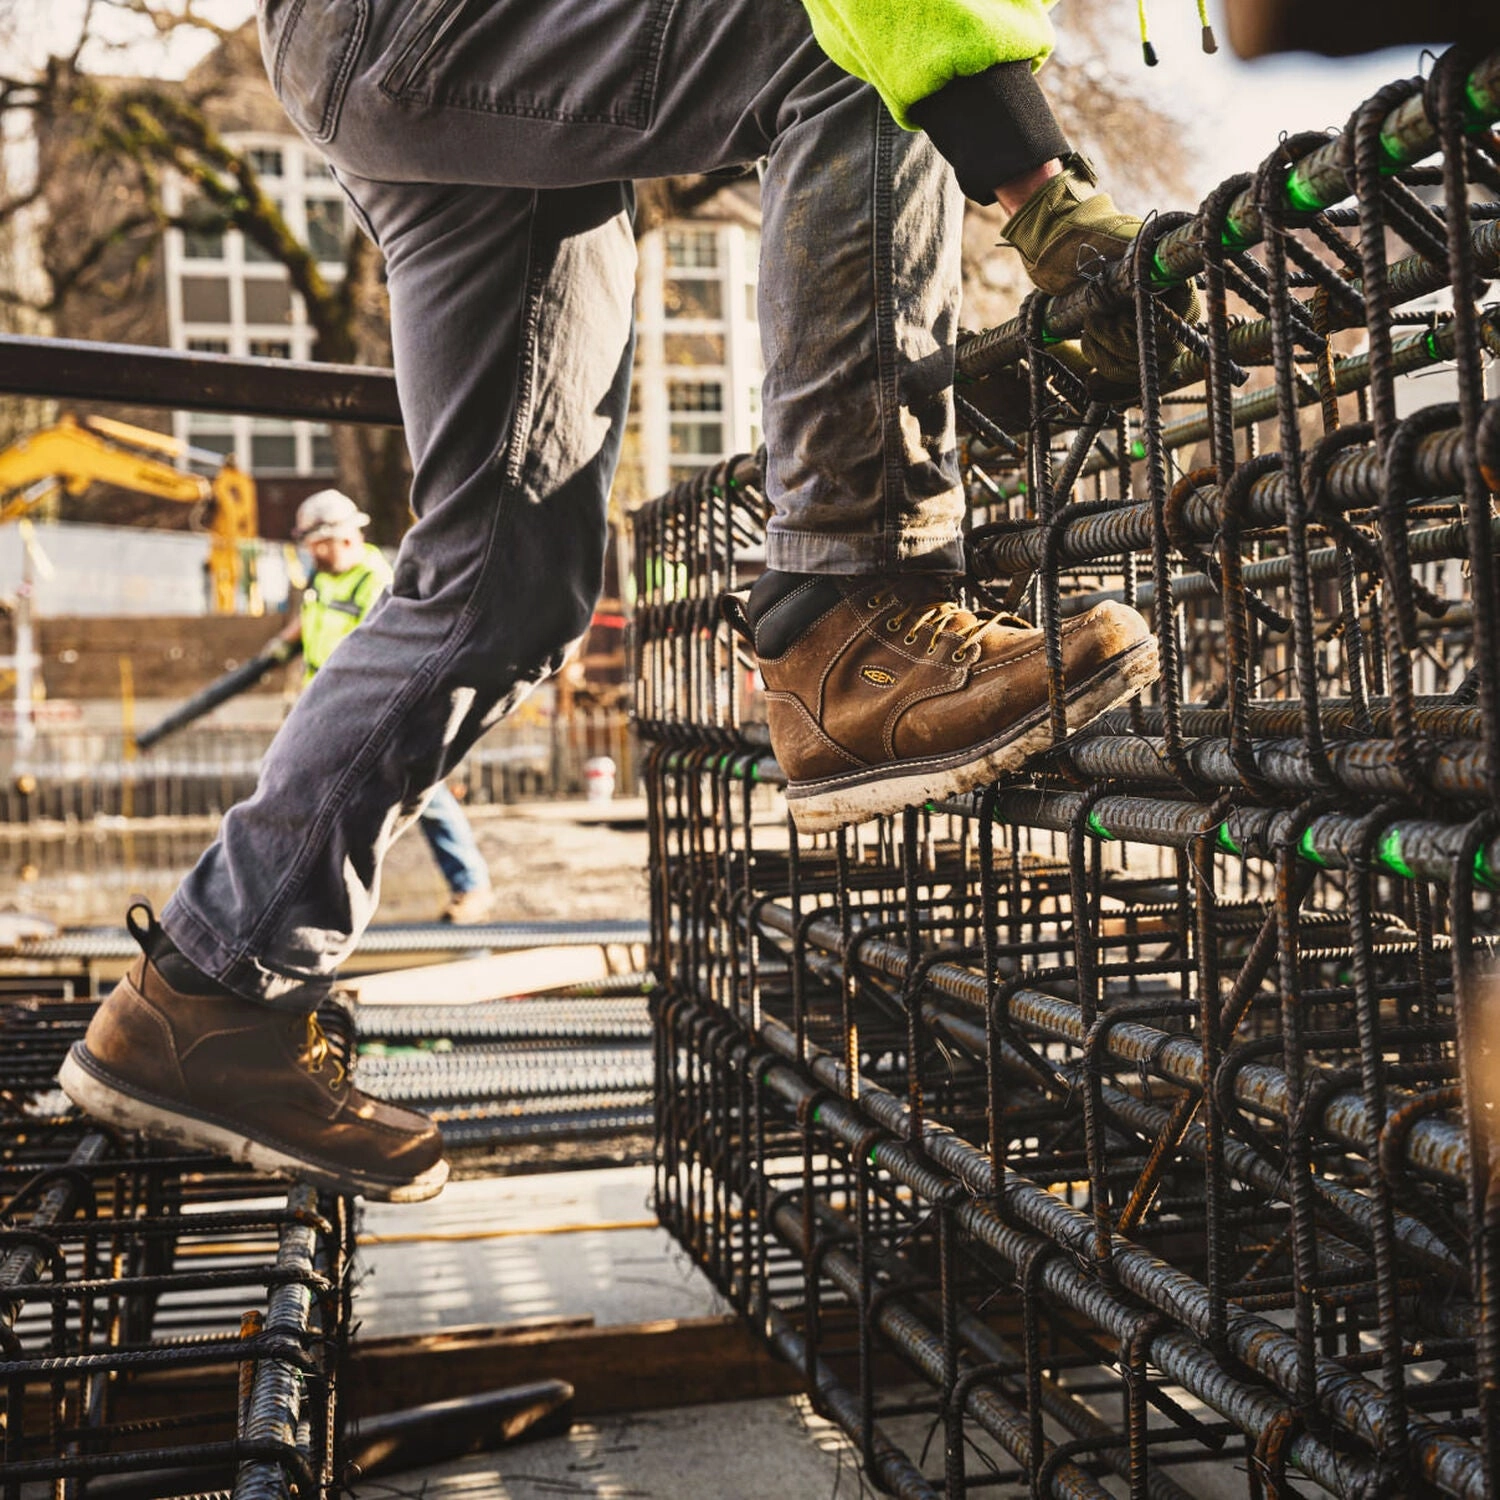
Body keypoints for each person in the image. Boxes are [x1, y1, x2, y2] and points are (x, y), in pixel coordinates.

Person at [60, 0, 1181, 1201]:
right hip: (417, 24)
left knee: (501, 588)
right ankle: (850, 608)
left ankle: (208, 990)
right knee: (854, 56)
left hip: (392, 48)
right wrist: (1036, 187)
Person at [290, 489, 495, 925]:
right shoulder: (324, 580)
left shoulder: (378, 582)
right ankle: (315, 901)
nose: (311, 554)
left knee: (424, 798)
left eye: (315, 545)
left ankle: (471, 885)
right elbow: (320, 633)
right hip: (326, 712)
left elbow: (390, 653)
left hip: (373, 712)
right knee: (324, 803)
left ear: (339, 539)